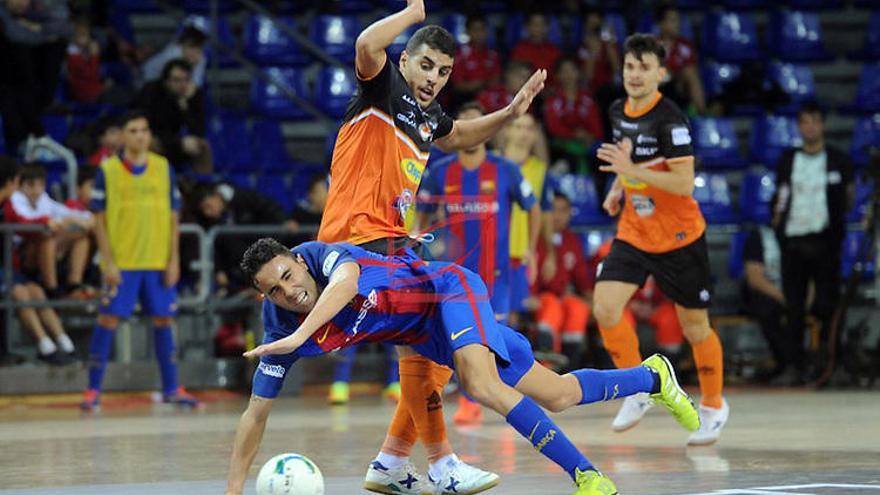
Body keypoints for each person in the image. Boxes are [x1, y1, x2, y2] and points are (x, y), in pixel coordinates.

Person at [226, 1, 547, 494]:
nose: (434, 77)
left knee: (427, 354)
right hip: (355, 243)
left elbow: (456, 135)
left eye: (443, 71)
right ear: (404, 62)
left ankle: (393, 463)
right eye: (425, 64)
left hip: (392, 243)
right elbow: (365, 46)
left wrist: (508, 114)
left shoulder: (427, 116)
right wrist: (411, 13)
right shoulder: (381, 90)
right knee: (425, 350)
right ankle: (437, 465)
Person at [235, 237, 700, 495]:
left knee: (481, 384)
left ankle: (586, 475)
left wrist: (300, 335)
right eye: (273, 289)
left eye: (288, 275)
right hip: (429, 337)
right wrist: (233, 492)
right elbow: (255, 414)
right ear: (264, 296)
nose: (289, 290)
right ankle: (653, 376)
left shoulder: (323, 257)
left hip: (449, 291)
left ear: (298, 261)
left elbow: (346, 283)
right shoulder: (279, 331)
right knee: (557, 394)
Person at [594, 34, 728, 446]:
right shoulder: (618, 110)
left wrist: (632, 168)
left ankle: (712, 404)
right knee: (605, 308)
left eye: (644, 68)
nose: (634, 75)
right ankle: (638, 388)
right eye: (629, 66)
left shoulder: (671, 119)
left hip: (679, 237)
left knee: (694, 326)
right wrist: (619, 185)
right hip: (634, 231)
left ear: (661, 74)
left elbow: (684, 182)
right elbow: (627, 160)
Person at [416, 102, 542, 424]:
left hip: (497, 271)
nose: (472, 129)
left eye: (478, 123)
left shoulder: (506, 170)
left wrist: (530, 248)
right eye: (466, 123)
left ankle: (507, 391)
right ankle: (470, 400)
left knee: (497, 334)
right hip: (455, 274)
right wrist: (420, 240)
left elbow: (533, 206)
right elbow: (423, 215)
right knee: (461, 336)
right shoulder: (441, 171)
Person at [80, 110, 200, 412]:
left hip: (158, 262)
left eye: (144, 130)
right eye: (133, 130)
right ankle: (93, 390)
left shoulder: (163, 168)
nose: (140, 135)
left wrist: (173, 260)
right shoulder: (107, 170)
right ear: (122, 136)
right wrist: (107, 262)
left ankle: (172, 388)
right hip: (122, 262)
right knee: (107, 320)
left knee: (163, 320)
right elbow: (98, 219)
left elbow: (174, 217)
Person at [771, 101, 854, 383]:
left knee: (829, 305)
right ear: (799, 126)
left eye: (815, 121)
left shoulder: (838, 159)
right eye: (804, 121)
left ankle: (834, 364)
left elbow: (849, 197)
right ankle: (794, 366)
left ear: (823, 125)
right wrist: (778, 223)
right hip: (794, 242)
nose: (810, 126)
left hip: (826, 243)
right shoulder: (787, 160)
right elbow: (780, 196)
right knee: (793, 307)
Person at [4, 163, 94, 298]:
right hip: (23, 255)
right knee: (48, 239)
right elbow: (29, 221)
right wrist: (56, 221)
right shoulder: (15, 199)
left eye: (40, 185)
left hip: (45, 249)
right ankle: (51, 288)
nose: (36, 190)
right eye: (31, 185)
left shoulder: (43, 198)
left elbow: (64, 212)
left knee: (81, 236)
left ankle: (74, 284)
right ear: (20, 185)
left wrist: (86, 218)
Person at [499, 112, 555, 326]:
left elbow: (546, 214)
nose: (523, 133)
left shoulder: (540, 171)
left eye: (529, 128)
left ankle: (503, 359)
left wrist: (549, 254)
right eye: (518, 127)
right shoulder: (492, 163)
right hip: (491, 251)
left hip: (520, 253)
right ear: (507, 131)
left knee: (513, 316)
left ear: (535, 135)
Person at [533, 193, 592, 369]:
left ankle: (571, 367)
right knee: (552, 306)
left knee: (578, 307)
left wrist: (591, 299)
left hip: (564, 295)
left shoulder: (571, 239)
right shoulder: (535, 237)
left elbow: (581, 277)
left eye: (563, 211)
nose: (557, 216)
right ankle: (547, 363)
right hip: (539, 297)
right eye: (553, 210)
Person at [134, 59, 211, 173]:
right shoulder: (151, 92)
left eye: (186, 80)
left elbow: (199, 130)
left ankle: (201, 186)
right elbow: (149, 126)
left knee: (202, 145)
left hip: (177, 142)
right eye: (177, 80)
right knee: (150, 143)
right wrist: (179, 142)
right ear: (166, 81)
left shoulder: (192, 95)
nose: (182, 84)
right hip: (156, 138)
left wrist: (185, 105)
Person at [740, 224, 792, 384]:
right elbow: (755, 279)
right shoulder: (759, 237)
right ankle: (785, 363)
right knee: (768, 309)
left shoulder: (801, 239)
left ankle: (804, 364)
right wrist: (784, 298)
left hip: (793, 291)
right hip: (767, 293)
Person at [544, 57, 604, 176]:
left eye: (572, 70)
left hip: (589, 144)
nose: (568, 75)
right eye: (564, 71)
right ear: (558, 75)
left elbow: (597, 128)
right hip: (562, 145)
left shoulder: (588, 99)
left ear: (578, 73)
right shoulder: (553, 100)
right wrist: (575, 135)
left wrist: (588, 136)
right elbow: (554, 127)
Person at [655, 4, 705, 115]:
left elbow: (690, 71)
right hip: (658, 89)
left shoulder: (686, 46)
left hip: (679, 90)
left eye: (678, 20)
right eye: (672, 20)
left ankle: (702, 115)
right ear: (661, 24)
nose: (677, 25)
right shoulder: (652, 46)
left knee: (690, 73)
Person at [449, 15, 501, 107]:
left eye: (482, 29)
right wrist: (479, 84)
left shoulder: (492, 55)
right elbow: (458, 86)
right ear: (467, 32)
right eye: (475, 30)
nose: (479, 33)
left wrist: (481, 85)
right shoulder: (460, 54)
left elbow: (496, 81)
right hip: (465, 98)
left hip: (488, 96)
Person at [141, 26, 207, 88]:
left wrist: (195, 66)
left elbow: (196, 85)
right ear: (181, 45)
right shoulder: (171, 55)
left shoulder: (200, 58)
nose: (195, 51)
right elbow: (170, 86)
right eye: (191, 46)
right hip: (145, 81)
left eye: (198, 47)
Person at [510, 11, 562, 76]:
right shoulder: (519, 50)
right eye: (535, 24)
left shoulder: (554, 50)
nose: (538, 28)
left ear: (548, 27)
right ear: (527, 27)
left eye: (542, 24)